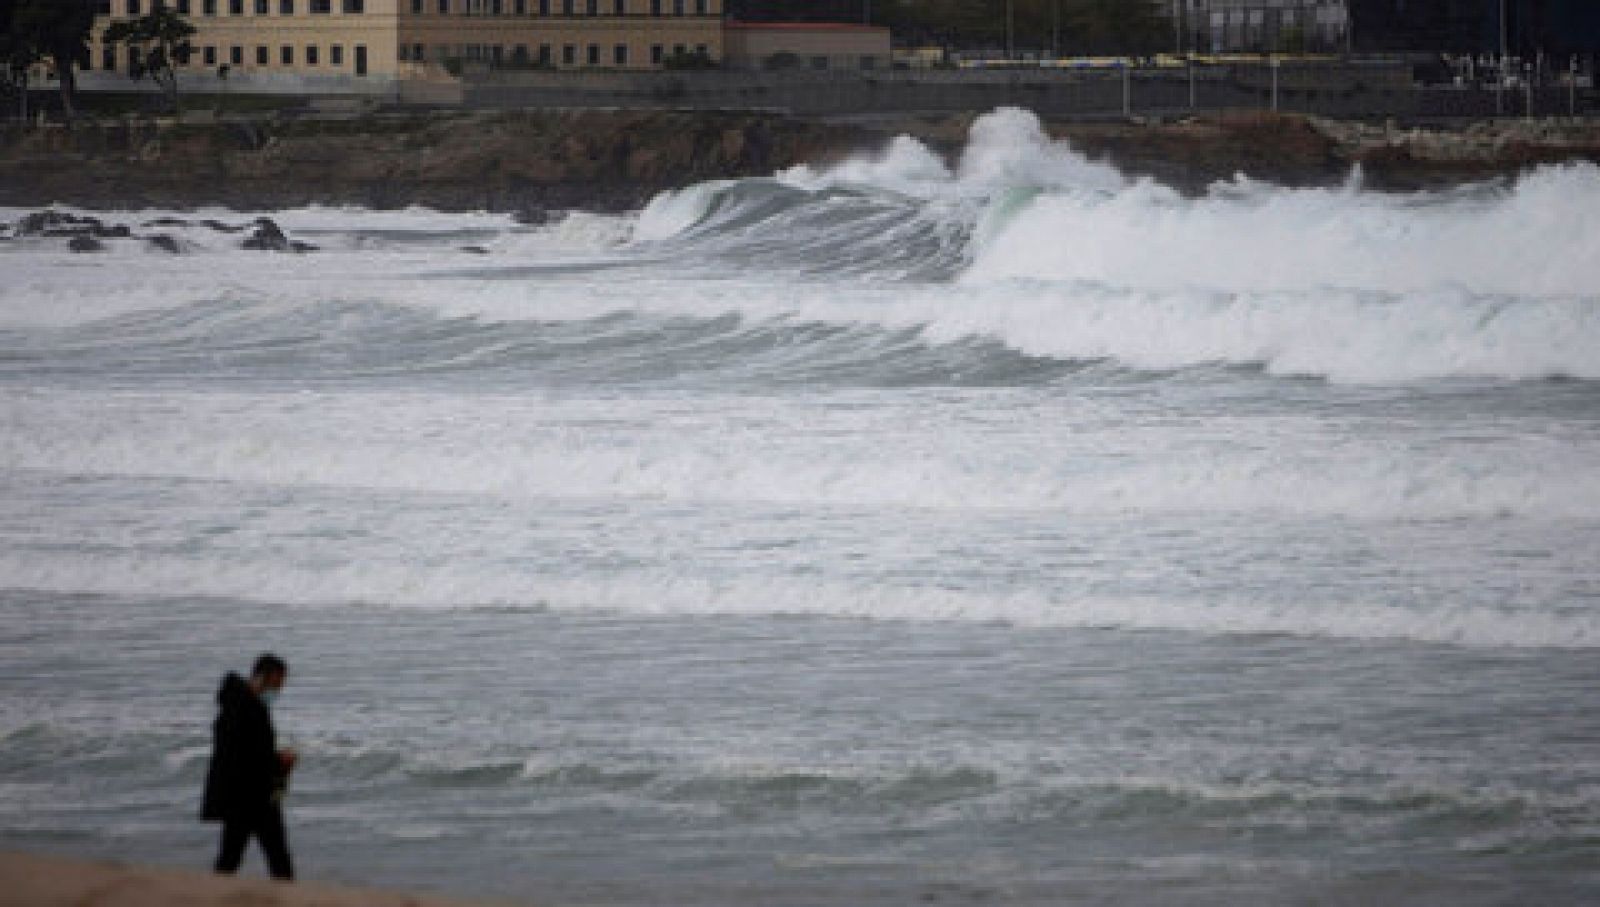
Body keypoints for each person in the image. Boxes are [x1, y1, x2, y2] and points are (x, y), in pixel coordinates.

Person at [201, 653, 297, 880]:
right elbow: (246, 754)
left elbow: (246, 751)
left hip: (245, 793)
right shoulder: (244, 708)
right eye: (278, 683)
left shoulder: (239, 704)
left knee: (232, 856)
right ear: (268, 676)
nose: (279, 690)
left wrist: (275, 761)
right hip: (251, 794)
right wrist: (279, 762)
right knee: (276, 859)